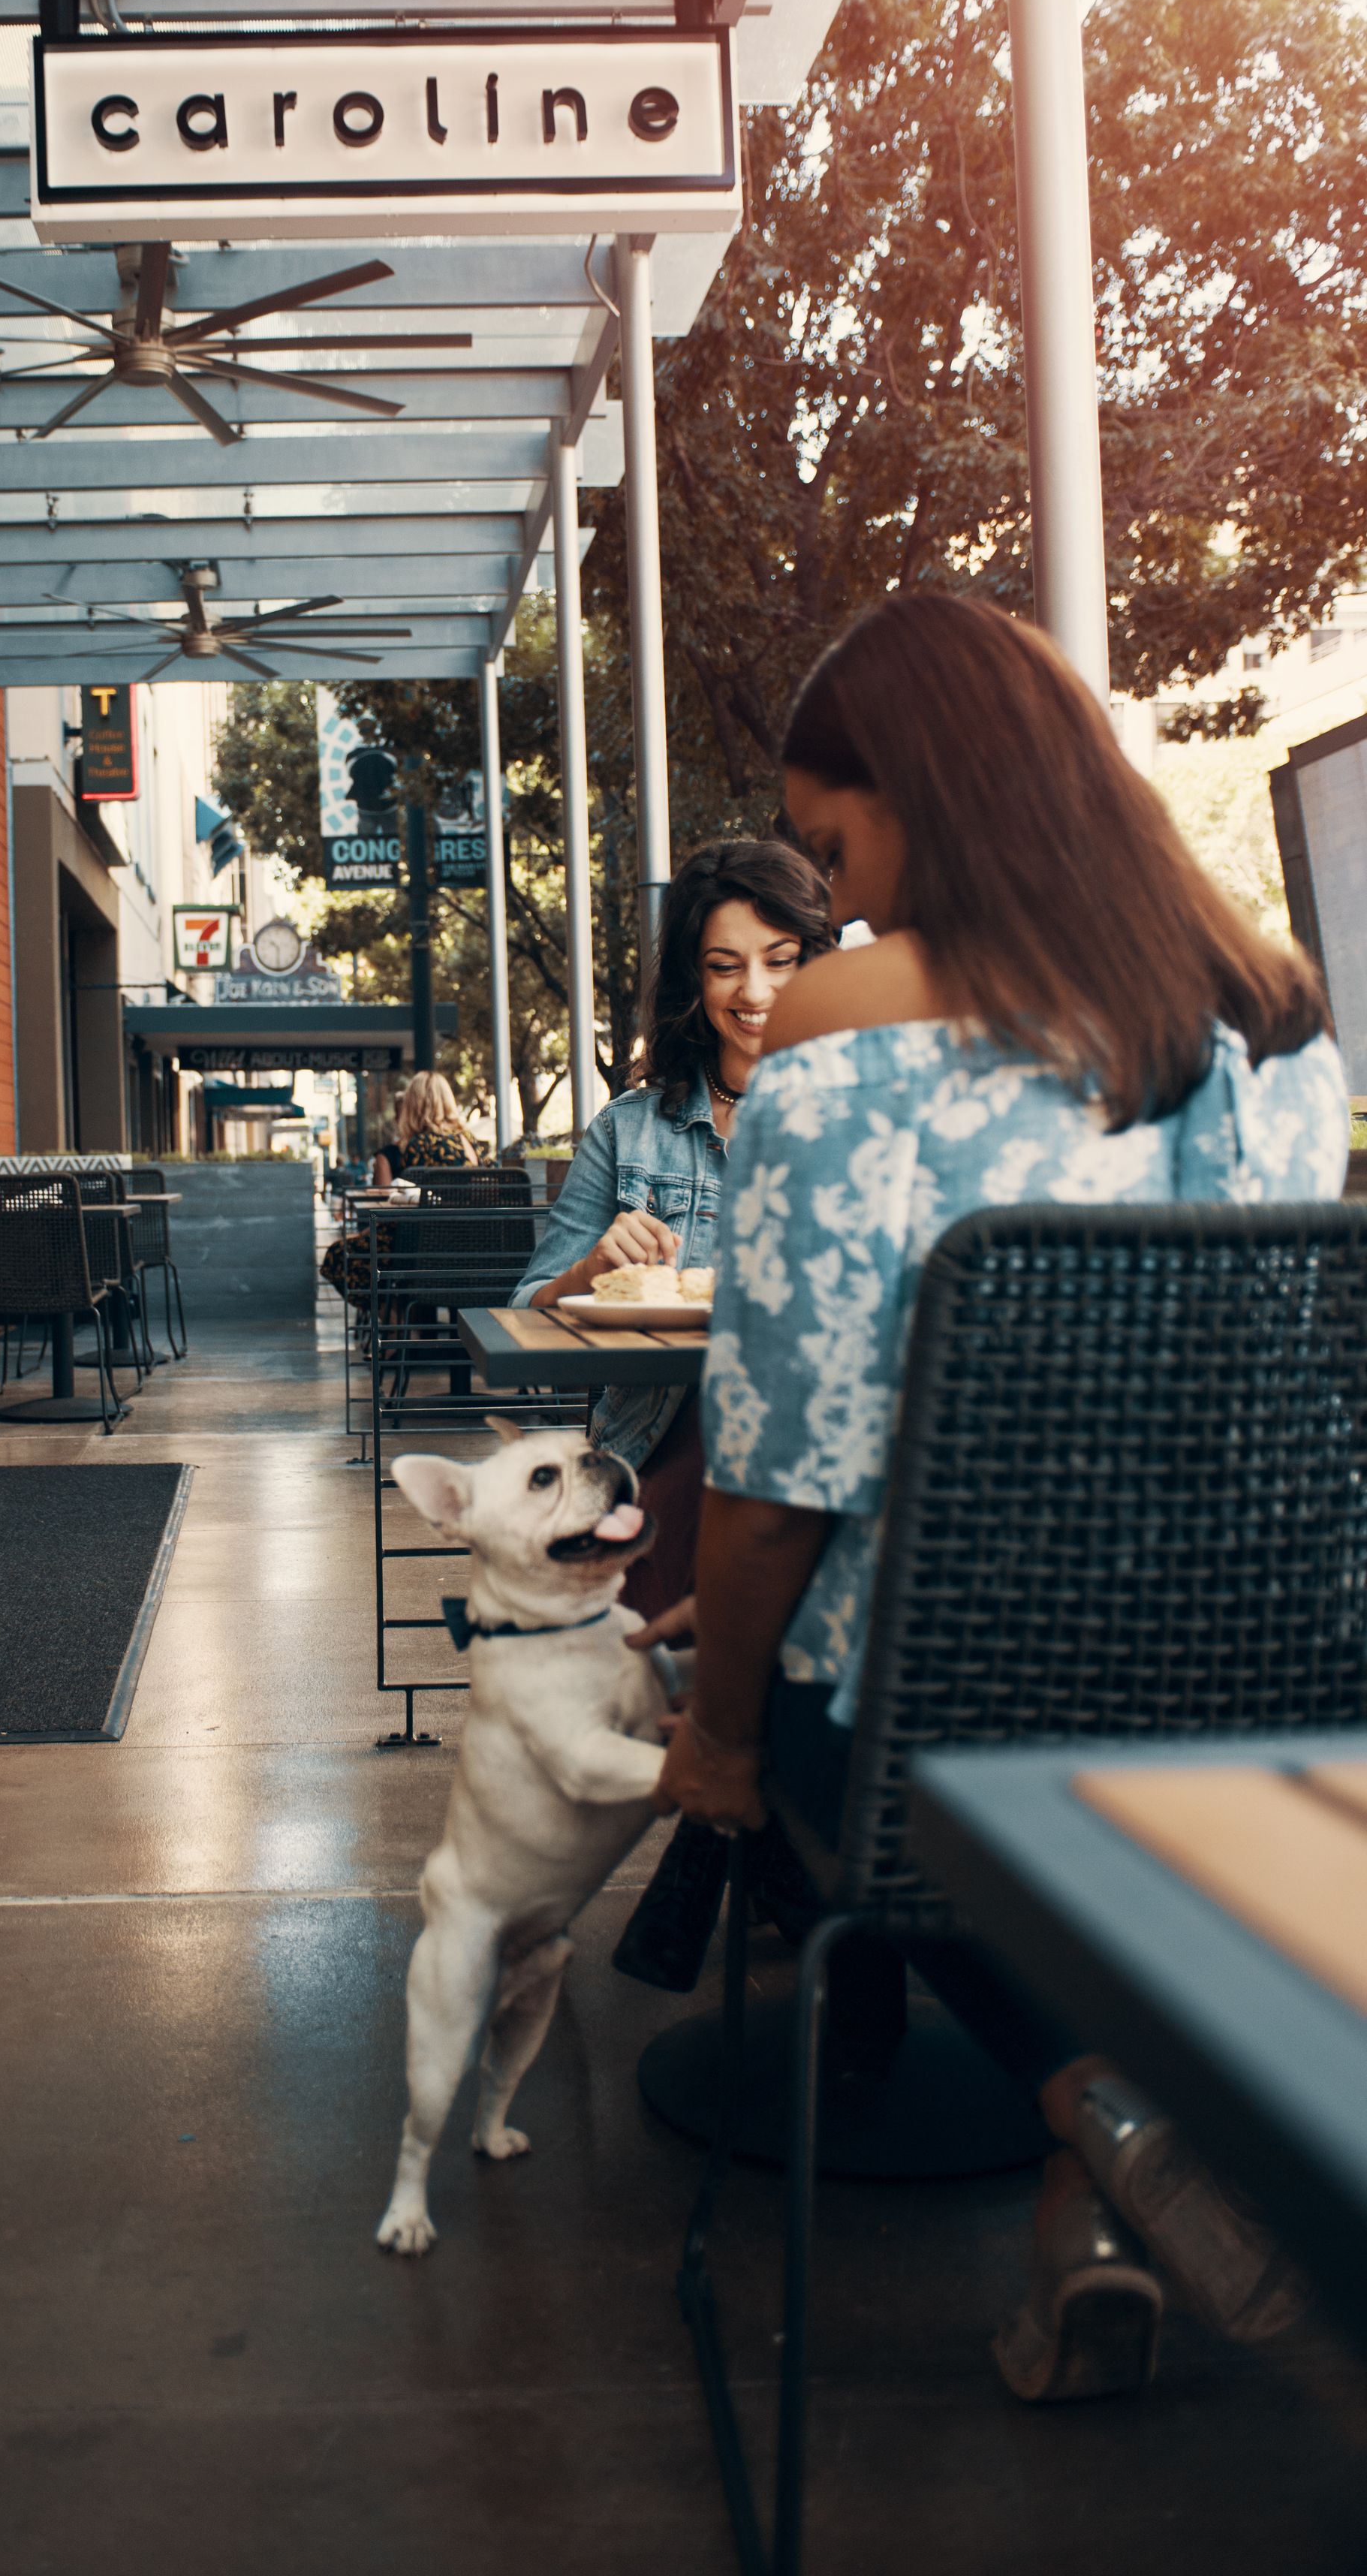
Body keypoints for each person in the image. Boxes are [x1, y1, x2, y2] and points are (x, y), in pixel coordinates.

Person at [638, 595, 1347, 2402]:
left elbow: (774, 1486)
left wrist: (718, 1734)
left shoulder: (836, 1056)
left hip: (946, 1729)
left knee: (800, 1716)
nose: (837, 896)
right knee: (1032, 1715)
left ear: (928, 800)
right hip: (1261, 1688)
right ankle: (1088, 2213)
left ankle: (1103, 2108)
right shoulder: (1279, 1030)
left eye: (836, 843)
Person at [514, 839, 832, 1619]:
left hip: (810, 1442)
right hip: (660, 1439)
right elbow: (527, 1322)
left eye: (781, 959)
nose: (754, 991)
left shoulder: (860, 1116)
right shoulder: (631, 1131)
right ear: (695, 978)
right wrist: (593, 1269)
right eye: (725, 966)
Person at [321, 1069, 480, 1302]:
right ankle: (398, 1318)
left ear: (414, 1105)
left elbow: (411, 1210)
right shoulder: (470, 1141)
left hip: (425, 1250)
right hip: (473, 1247)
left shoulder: (421, 1144)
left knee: (339, 1255)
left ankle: (393, 1318)